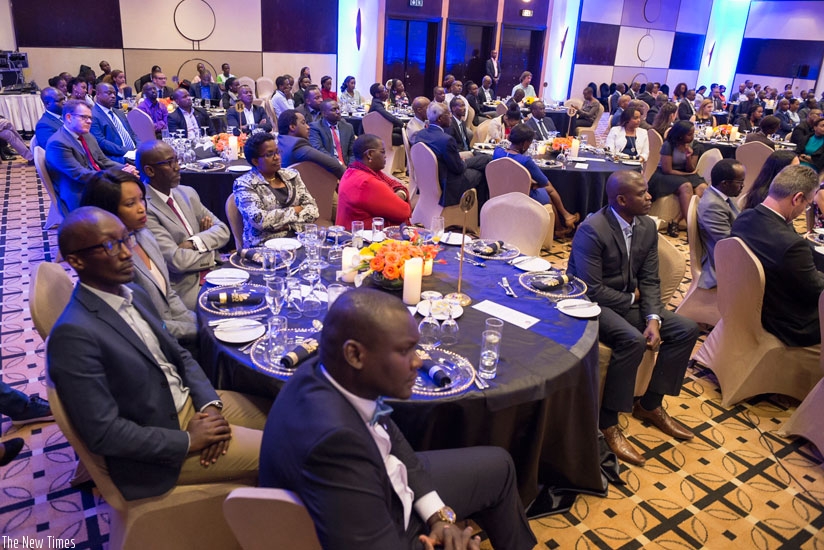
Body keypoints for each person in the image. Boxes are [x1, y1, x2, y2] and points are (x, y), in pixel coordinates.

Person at [259, 288, 537, 550]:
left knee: (499, 466)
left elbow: (390, 433)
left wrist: (438, 516)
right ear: (355, 354)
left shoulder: (328, 370)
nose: (418, 362)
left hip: (388, 485)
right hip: (386, 520)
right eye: (405, 351)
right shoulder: (335, 446)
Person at [48, 206, 268, 501]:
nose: (128, 253)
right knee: (288, 453)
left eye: (127, 239)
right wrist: (189, 441)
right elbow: (104, 433)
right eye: (111, 246)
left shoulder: (132, 293)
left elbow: (179, 356)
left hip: (190, 407)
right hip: (158, 456)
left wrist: (210, 408)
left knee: (282, 413)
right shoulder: (74, 334)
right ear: (76, 260)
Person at [567, 171, 699, 467]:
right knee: (631, 340)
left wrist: (653, 317)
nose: (649, 197)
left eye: (648, 191)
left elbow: (650, 278)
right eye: (642, 194)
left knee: (686, 329)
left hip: (630, 302)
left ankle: (650, 405)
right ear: (622, 200)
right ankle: (607, 422)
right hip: (590, 305)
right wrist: (632, 299)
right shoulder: (593, 229)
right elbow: (589, 289)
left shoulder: (646, 227)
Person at [79, 170, 197, 343]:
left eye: (141, 199)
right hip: (151, 342)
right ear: (107, 210)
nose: (142, 208)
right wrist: (199, 330)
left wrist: (196, 322)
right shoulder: (111, 261)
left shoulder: (144, 234)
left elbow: (168, 294)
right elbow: (144, 324)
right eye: (130, 204)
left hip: (173, 331)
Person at [731, 165, 824, 346]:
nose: (805, 209)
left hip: (749, 306)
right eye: (807, 204)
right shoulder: (791, 246)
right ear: (797, 198)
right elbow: (816, 291)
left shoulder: (744, 218)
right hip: (788, 323)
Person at [137, 141, 229, 310]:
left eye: (177, 161)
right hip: (188, 287)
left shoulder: (187, 193)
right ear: (149, 170)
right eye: (169, 163)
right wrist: (211, 251)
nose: (177, 167)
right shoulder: (144, 209)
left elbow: (223, 230)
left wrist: (194, 242)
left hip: (217, 272)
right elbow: (177, 261)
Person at [45, 100, 134, 215]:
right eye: (84, 117)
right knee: (126, 201)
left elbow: (102, 160)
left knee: (134, 188)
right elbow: (79, 174)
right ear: (69, 117)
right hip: (79, 190)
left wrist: (124, 169)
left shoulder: (86, 135)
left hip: (96, 180)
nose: (89, 121)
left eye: (90, 118)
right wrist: (114, 177)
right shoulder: (58, 143)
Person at [233, 132, 319, 247]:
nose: (277, 157)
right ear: (255, 161)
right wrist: (295, 210)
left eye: (277, 152)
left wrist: (288, 226)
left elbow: (313, 210)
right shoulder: (244, 184)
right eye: (269, 154)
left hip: (298, 240)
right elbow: (261, 221)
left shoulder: (292, 175)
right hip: (263, 247)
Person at [492, 124, 579, 233]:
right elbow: (544, 182)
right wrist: (532, 184)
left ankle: (562, 224)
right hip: (521, 196)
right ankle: (563, 221)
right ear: (524, 143)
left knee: (546, 192)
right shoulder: (525, 161)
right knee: (549, 190)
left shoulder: (497, 152)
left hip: (498, 192)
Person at [413, 102, 490, 208]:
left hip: (428, 180)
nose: (450, 116)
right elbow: (458, 169)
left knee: (482, 159)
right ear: (440, 119)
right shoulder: (446, 140)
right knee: (481, 170)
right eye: (448, 113)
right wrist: (461, 161)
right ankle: (478, 215)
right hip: (448, 183)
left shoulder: (421, 134)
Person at [336, 135, 410, 230]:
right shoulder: (367, 182)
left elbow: (395, 184)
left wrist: (397, 194)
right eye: (382, 152)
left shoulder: (352, 170)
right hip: (362, 240)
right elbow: (404, 212)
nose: (385, 156)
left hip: (348, 232)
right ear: (370, 154)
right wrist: (400, 195)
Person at [648, 121, 706, 233]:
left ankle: (676, 220)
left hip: (685, 172)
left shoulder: (695, 145)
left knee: (703, 188)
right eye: (689, 134)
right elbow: (667, 169)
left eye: (693, 134)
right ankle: (692, 229)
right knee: (686, 186)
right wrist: (688, 174)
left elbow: (690, 168)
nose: (692, 137)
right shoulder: (668, 145)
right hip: (664, 175)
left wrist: (688, 157)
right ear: (680, 134)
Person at [696, 159, 745, 289]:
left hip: (732, 252)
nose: (743, 186)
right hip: (721, 264)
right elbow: (728, 244)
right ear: (725, 184)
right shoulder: (712, 205)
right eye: (740, 182)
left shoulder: (723, 197)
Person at [277, 109, 346, 179]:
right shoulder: (297, 145)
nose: (308, 127)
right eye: (303, 123)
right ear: (292, 127)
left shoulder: (280, 141)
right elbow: (333, 164)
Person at [90, 83, 139, 163]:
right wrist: (129, 151)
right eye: (109, 93)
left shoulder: (119, 113)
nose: (113, 96)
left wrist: (139, 148)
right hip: (118, 157)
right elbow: (101, 142)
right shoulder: (93, 115)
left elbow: (133, 134)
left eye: (114, 94)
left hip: (135, 153)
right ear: (98, 94)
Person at [309, 100, 355, 166]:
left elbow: (352, 152)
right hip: (328, 166)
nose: (338, 112)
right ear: (324, 113)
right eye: (334, 110)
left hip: (347, 166)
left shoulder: (348, 127)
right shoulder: (316, 127)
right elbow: (319, 150)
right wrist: (339, 165)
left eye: (338, 108)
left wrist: (350, 168)